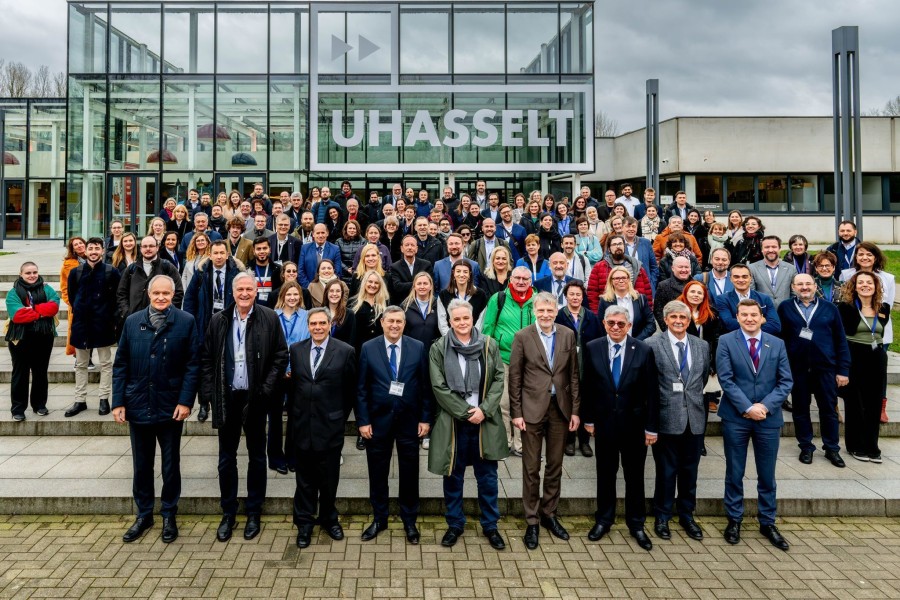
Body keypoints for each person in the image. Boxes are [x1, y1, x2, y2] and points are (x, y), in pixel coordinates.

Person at [199, 272, 288, 543]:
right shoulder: (219, 320)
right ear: (233, 292)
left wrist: (266, 390)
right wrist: (209, 396)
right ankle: (228, 512)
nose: (245, 293)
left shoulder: (269, 318)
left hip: (256, 398)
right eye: (240, 289)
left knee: (257, 457)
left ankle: (253, 511)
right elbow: (206, 358)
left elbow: (280, 356)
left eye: (250, 288)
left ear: (256, 291)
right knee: (226, 458)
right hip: (227, 398)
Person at [112, 275, 200, 544]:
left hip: (171, 406)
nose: (161, 297)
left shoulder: (186, 321)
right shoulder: (132, 321)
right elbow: (121, 365)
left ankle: (169, 515)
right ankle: (144, 514)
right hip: (138, 404)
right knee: (142, 465)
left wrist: (186, 401)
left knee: (171, 465)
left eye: (166, 293)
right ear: (149, 294)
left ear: (173, 294)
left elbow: (193, 365)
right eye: (156, 293)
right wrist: (118, 402)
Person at [428, 299, 508, 550]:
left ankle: (490, 525)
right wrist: (466, 412)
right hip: (454, 423)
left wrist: (483, 410)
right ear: (450, 321)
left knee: (488, 478)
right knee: (453, 477)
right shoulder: (439, 348)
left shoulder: (488, 344)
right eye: (457, 319)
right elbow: (438, 386)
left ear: (473, 318)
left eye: (466, 318)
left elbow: (498, 378)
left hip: (484, 422)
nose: (462, 323)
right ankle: (454, 524)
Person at [717, 299, 793, 551]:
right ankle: (734, 519)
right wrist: (748, 407)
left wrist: (765, 407)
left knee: (767, 474)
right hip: (736, 417)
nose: (749, 319)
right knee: (735, 472)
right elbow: (726, 380)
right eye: (744, 315)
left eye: (754, 315)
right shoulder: (726, 341)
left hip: (768, 419)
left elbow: (785, 381)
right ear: (737, 317)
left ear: (762, 318)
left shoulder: (778, 343)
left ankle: (767, 521)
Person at [581, 305, 659, 550]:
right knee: (605, 475)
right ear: (604, 324)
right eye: (611, 323)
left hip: (634, 427)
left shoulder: (643, 350)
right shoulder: (593, 347)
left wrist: (651, 428)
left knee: (634, 477)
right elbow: (588, 387)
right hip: (604, 425)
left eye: (621, 324)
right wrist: (589, 419)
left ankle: (636, 524)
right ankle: (604, 519)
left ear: (629, 326)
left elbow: (652, 393)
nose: (616, 327)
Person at [507, 292, 580, 550]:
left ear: (556, 311)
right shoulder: (522, 337)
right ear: (534, 311)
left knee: (555, 465)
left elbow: (573, 376)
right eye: (541, 311)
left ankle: (550, 514)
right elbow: (514, 378)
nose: (546, 315)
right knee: (530, 468)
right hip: (531, 410)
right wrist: (516, 413)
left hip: (560, 410)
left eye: (550, 311)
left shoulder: (567, 335)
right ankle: (532, 521)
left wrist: (575, 411)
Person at [356, 307, 433, 544]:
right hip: (377, 423)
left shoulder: (417, 347)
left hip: (409, 421)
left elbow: (425, 386)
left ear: (404, 324)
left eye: (399, 321)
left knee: (409, 473)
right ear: (382, 322)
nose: (395, 325)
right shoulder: (369, 348)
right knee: (377, 473)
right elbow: (361, 389)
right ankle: (380, 518)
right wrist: (363, 421)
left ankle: (409, 520)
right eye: (390, 321)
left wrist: (425, 418)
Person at [288, 306, 356, 549]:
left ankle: (329, 519)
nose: (317, 328)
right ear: (308, 326)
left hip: (330, 427)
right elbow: (295, 386)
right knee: (304, 480)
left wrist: (339, 417)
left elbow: (350, 390)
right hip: (303, 426)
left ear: (329, 325)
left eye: (322, 324)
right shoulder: (296, 350)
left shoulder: (345, 351)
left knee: (329, 480)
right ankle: (304, 524)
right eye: (313, 324)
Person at [645, 301, 710, 543]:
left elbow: (701, 380)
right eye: (673, 317)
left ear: (689, 319)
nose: (679, 321)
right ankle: (662, 516)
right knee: (665, 471)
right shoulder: (652, 345)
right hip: (666, 417)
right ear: (665, 320)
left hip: (694, 418)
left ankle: (686, 515)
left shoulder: (701, 346)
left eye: (683, 317)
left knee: (689, 471)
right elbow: (650, 385)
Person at [778, 274, 849, 468]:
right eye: (799, 284)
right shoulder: (785, 307)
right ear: (793, 286)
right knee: (800, 409)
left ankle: (832, 448)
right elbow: (780, 338)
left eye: (808, 283)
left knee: (828, 409)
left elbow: (841, 341)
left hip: (825, 368)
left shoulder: (830, 308)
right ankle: (806, 446)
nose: (804, 287)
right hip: (797, 369)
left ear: (814, 285)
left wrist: (843, 369)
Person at [481, 266, 536, 456]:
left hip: (530, 361)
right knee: (504, 404)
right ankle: (506, 441)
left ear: (531, 281)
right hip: (503, 358)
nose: (521, 282)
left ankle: (521, 444)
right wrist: (489, 354)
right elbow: (488, 328)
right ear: (510, 279)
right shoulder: (498, 298)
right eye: (517, 278)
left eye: (525, 279)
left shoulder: (537, 300)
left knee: (525, 404)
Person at [65, 237, 121, 418]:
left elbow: (117, 298)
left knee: (105, 363)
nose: (94, 251)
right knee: (81, 364)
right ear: (86, 251)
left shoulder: (111, 272)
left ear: (103, 251)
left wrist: (111, 318)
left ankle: (104, 399)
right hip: (81, 324)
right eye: (91, 248)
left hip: (103, 324)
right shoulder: (76, 272)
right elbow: (73, 297)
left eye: (97, 248)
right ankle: (80, 400)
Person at [838, 272, 891, 463]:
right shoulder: (845, 307)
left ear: (876, 286)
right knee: (855, 403)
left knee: (874, 402)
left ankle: (872, 446)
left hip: (876, 357)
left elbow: (880, 331)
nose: (865, 285)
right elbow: (841, 334)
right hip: (853, 354)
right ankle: (855, 445)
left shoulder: (883, 307)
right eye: (861, 282)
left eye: (869, 282)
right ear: (855, 285)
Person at [6, 262, 60, 421]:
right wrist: (41, 311)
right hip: (20, 338)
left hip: (43, 337)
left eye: (35, 272)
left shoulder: (47, 289)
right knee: (20, 374)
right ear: (21, 274)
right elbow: (17, 316)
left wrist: (32, 309)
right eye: (28, 273)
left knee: (40, 372)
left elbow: (53, 308)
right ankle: (18, 409)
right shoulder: (13, 292)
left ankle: (39, 405)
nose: (32, 275)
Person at [555, 280, 603, 457]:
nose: (575, 297)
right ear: (566, 296)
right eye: (572, 294)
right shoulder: (559, 316)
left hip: (587, 368)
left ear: (583, 297)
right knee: (567, 404)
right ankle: (569, 440)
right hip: (565, 369)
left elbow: (600, 342)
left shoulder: (591, 317)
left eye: (578, 294)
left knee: (585, 405)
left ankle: (584, 441)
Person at [271, 282, 310, 474]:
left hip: (298, 372)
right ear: (283, 296)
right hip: (277, 372)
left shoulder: (307, 316)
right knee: (275, 416)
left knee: (296, 416)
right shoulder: (272, 316)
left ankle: (293, 456)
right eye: (289, 294)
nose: (292, 298)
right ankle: (276, 457)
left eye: (296, 294)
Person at [117, 237, 184, 319]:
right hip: (135, 318)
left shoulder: (167, 267)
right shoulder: (131, 269)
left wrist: (168, 313)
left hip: (162, 319)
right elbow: (121, 293)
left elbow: (178, 292)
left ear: (157, 248)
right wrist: (127, 312)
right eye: (145, 246)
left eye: (151, 246)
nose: (148, 249)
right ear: (140, 248)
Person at [585, 235, 654, 314]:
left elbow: (647, 292)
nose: (618, 246)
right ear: (609, 249)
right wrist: (597, 315)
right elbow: (592, 293)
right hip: (609, 313)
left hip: (635, 312)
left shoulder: (636, 266)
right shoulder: (599, 267)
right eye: (614, 244)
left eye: (620, 244)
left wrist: (647, 313)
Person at [714, 263, 781, 335]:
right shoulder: (722, 299)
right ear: (730, 279)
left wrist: (745, 326)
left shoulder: (764, 299)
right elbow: (729, 324)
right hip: (735, 342)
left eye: (744, 277)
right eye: (736, 277)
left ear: (750, 278)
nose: (741, 280)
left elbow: (775, 326)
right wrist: (760, 321)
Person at [597, 266, 656, 341]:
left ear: (628, 280)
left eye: (624, 278)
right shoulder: (605, 301)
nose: (621, 281)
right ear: (611, 281)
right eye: (617, 278)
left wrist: (636, 341)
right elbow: (601, 326)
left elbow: (651, 324)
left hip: (637, 344)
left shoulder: (640, 299)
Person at [437, 261, 488, 335]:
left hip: (474, 341)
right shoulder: (443, 295)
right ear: (453, 273)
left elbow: (481, 321)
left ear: (469, 274)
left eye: (465, 272)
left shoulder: (480, 295)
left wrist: (473, 338)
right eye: (458, 271)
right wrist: (451, 339)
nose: (461, 275)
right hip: (451, 342)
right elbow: (442, 323)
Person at [388, 235, 434, 305]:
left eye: (412, 245)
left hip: (423, 303)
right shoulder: (395, 267)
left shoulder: (426, 265)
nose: (410, 247)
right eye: (407, 245)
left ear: (416, 249)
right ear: (402, 249)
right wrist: (418, 284)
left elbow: (430, 284)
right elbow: (397, 286)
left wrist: (407, 285)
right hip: (402, 304)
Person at [749, 235, 794, 306]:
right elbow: (751, 293)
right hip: (762, 312)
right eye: (767, 247)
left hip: (786, 312)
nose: (770, 250)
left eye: (774, 247)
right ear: (762, 250)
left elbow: (794, 294)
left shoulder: (791, 269)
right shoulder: (752, 268)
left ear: (779, 248)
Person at [60, 237, 86, 357]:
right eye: (76, 245)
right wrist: (71, 302)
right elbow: (64, 287)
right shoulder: (68, 264)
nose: (79, 246)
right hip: (77, 303)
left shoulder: (95, 258)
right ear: (73, 249)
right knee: (77, 331)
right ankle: (78, 357)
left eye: (81, 243)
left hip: (94, 302)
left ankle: (88, 356)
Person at [653, 256, 694, 330]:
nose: (684, 270)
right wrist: (668, 330)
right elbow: (658, 311)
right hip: (673, 328)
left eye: (686, 267)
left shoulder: (697, 285)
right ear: (673, 268)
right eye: (680, 267)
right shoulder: (663, 286)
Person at [621, 218, 658, 291]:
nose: (631, 229)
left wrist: (652, 284)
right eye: (628, 226)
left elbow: (654, 266)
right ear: (622, 228)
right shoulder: (616, 243)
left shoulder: (646, 243)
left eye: (633, 226)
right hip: (624, 287)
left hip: (645, 286)